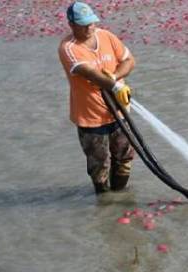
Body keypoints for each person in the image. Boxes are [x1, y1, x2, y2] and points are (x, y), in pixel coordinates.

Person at [58, 2, 136, 194]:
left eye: (92, 22)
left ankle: (119, 196)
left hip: (118, 111)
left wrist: (116, 76)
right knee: (99, 166)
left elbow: (129, 60)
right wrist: (115, 85)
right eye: (84, 24)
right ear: (71, 24)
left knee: (124, 158)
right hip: (91, 119)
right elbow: (88, 73)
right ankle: (103, 200)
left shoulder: (106, 36)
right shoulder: (68, 48)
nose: (90, 27)